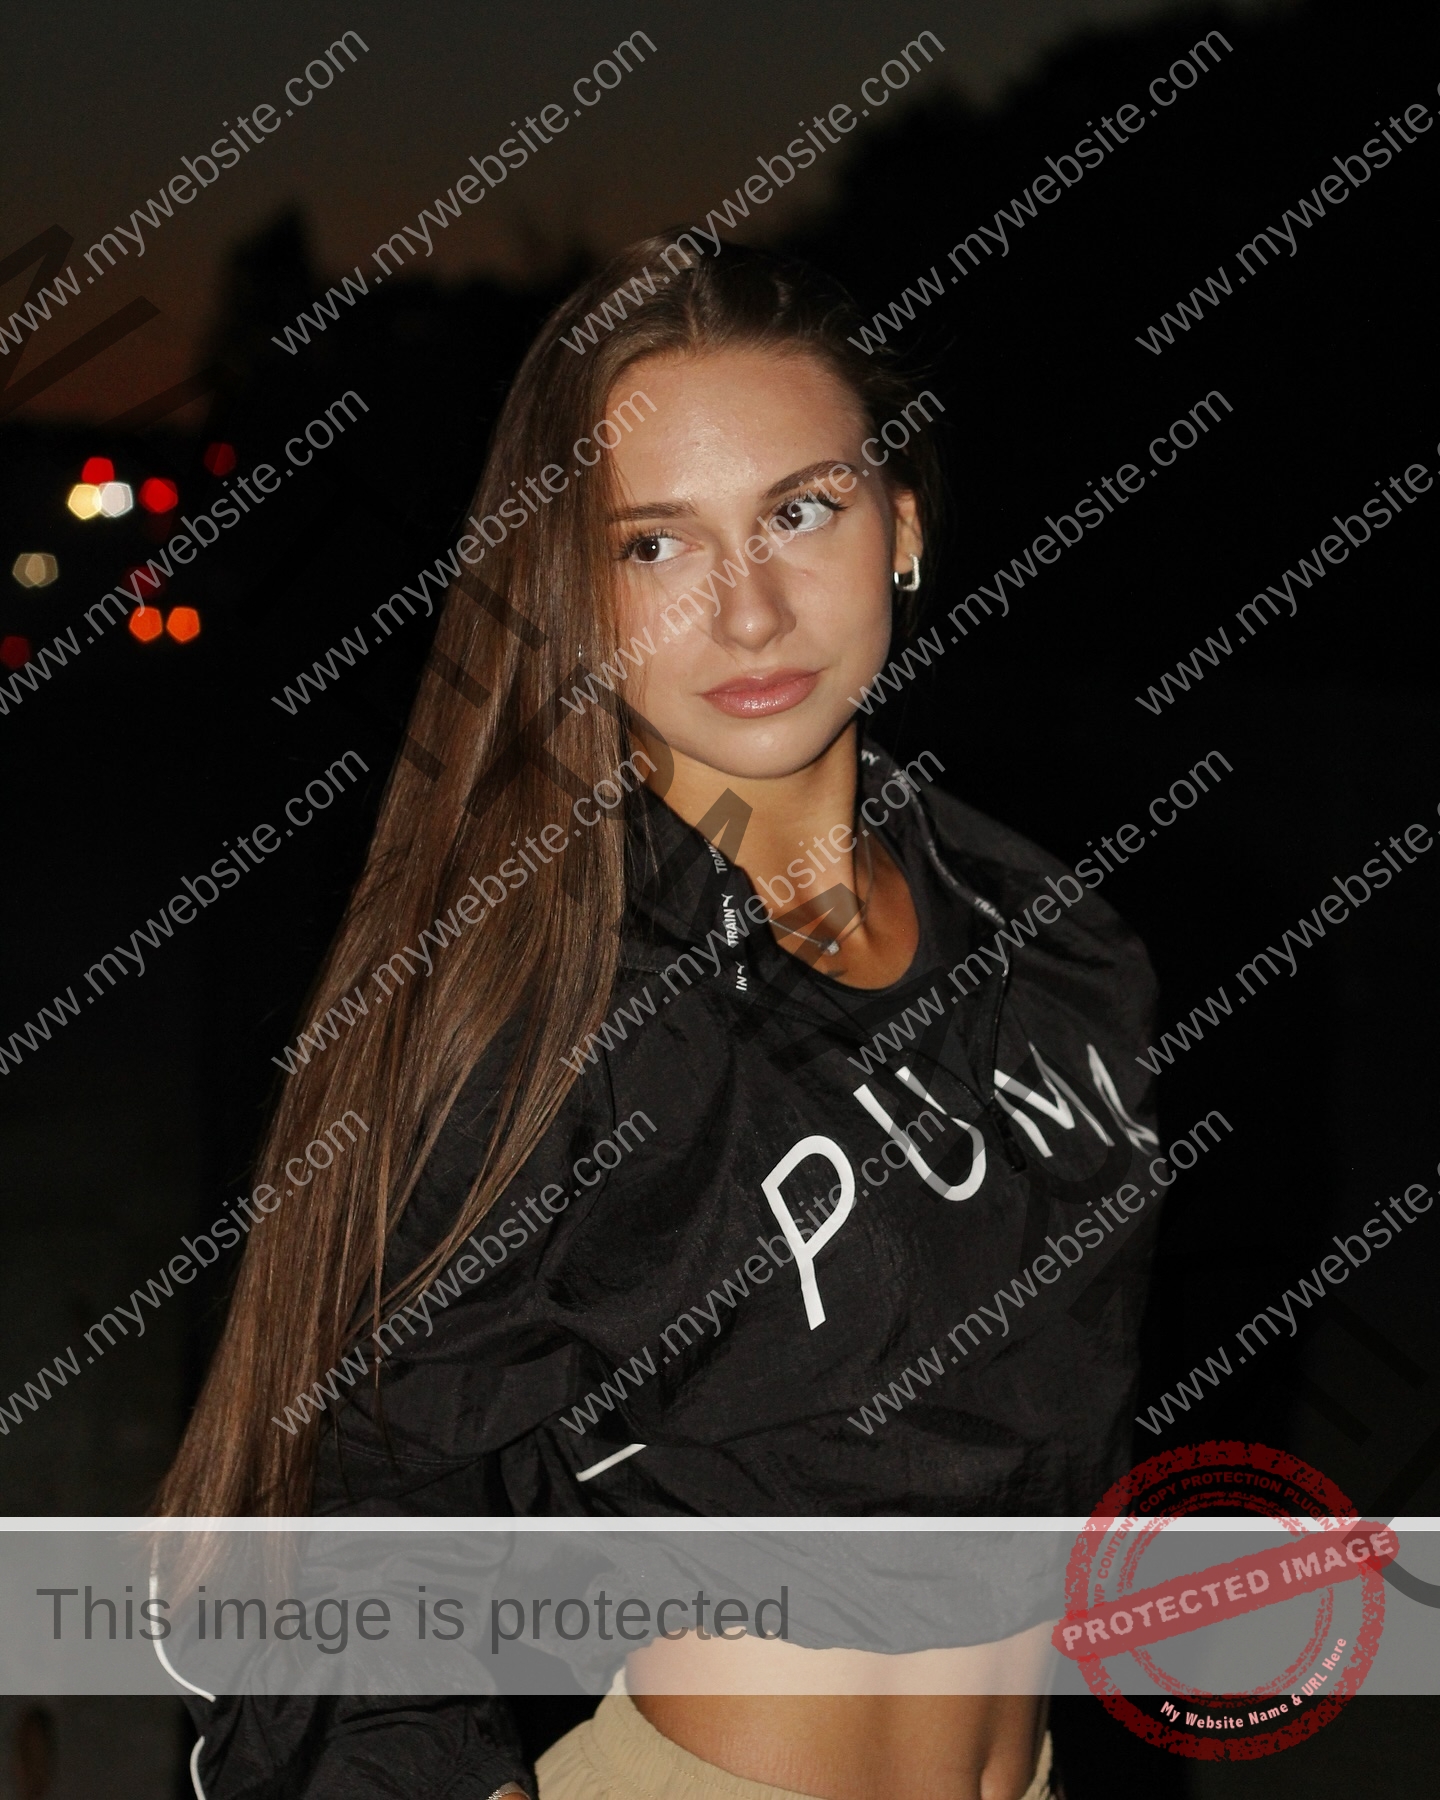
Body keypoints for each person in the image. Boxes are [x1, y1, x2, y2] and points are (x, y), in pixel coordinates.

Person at [157, 237, 1160, 1799]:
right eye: (651, 547)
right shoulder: (555, 1000)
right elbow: (346, 1512)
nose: (747, 609)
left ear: (900, 523)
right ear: (573, 595)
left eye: (799, 512)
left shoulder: (1062, 949)